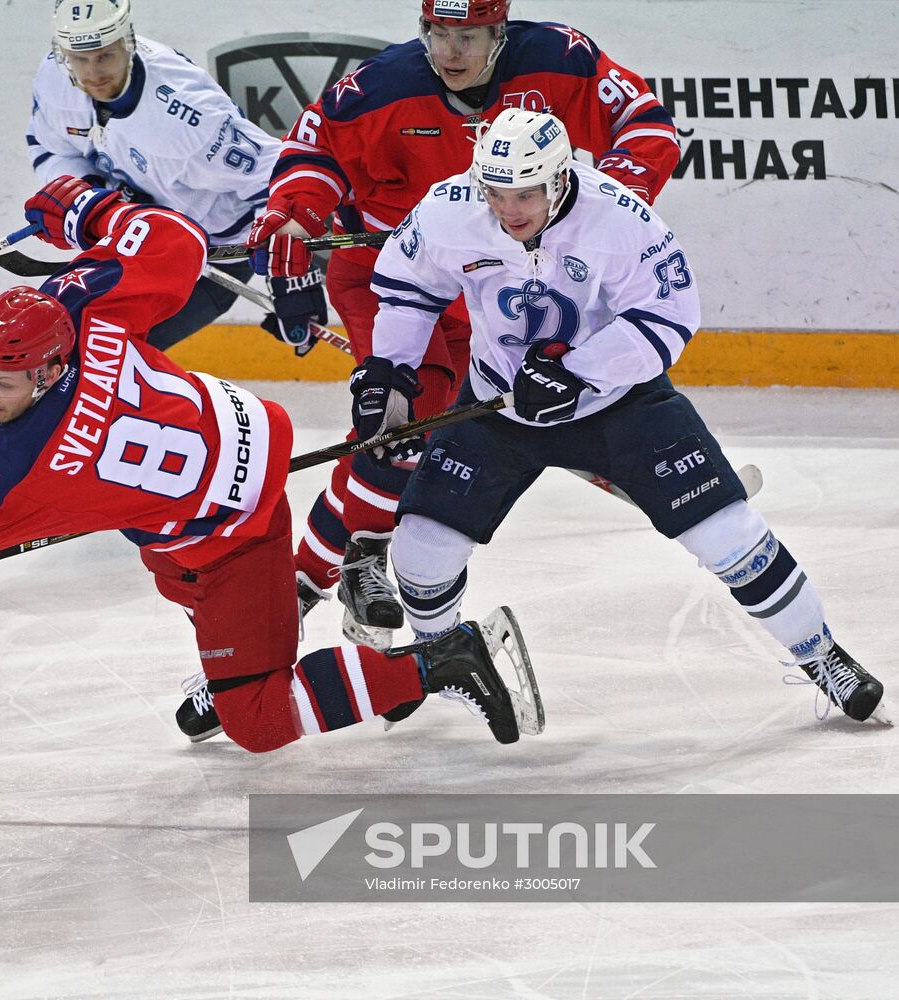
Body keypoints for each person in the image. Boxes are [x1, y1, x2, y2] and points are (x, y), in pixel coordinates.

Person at [0, 177, 543, 751]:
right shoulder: (80, 311)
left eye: (4, 384)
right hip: (243, 445)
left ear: (46, 370)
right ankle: (285, 663)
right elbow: (177, 243)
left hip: (225, 538)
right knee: (174, 572)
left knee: (257, 718)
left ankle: (438, 663)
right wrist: (84, 209)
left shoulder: (23, 462)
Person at [350, 107, 888, 726]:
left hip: (618, 403)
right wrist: (389, 373)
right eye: (496, 193)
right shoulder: (453, 209)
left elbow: (669, 316)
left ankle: (822, 655)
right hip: (497, 404)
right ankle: (440, 662)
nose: (508, 209)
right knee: (420, 552)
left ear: (557, 179)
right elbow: (406, 291)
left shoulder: (619, 219)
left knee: (729, 535)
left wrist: (581, 371)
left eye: (524, 193)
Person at [248, 0, 681, 649]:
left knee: (439, 431)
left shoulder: (560, 60)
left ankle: (330, 568)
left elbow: (646, 125)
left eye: (467, 36)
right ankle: (334, 572)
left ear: (498, 33)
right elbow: (311, 150)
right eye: (436, 33)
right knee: (401, 425)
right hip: (389, 275)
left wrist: (607, 199)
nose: (449, 51)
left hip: (490, 280)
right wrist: (296, 214)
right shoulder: (378, 88)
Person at [25, 0, 326, 353]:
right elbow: (50, 148)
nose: (92, 73)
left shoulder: (191, 120)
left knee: (110, 356)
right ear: (63, 54)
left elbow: (280, 176)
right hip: (133, 239)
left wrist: (293, 277)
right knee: (64, 342)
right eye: (80, 59)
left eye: (104, 56)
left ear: (128, 42)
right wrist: (83, 195)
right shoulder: (54, 80)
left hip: (213, 257)